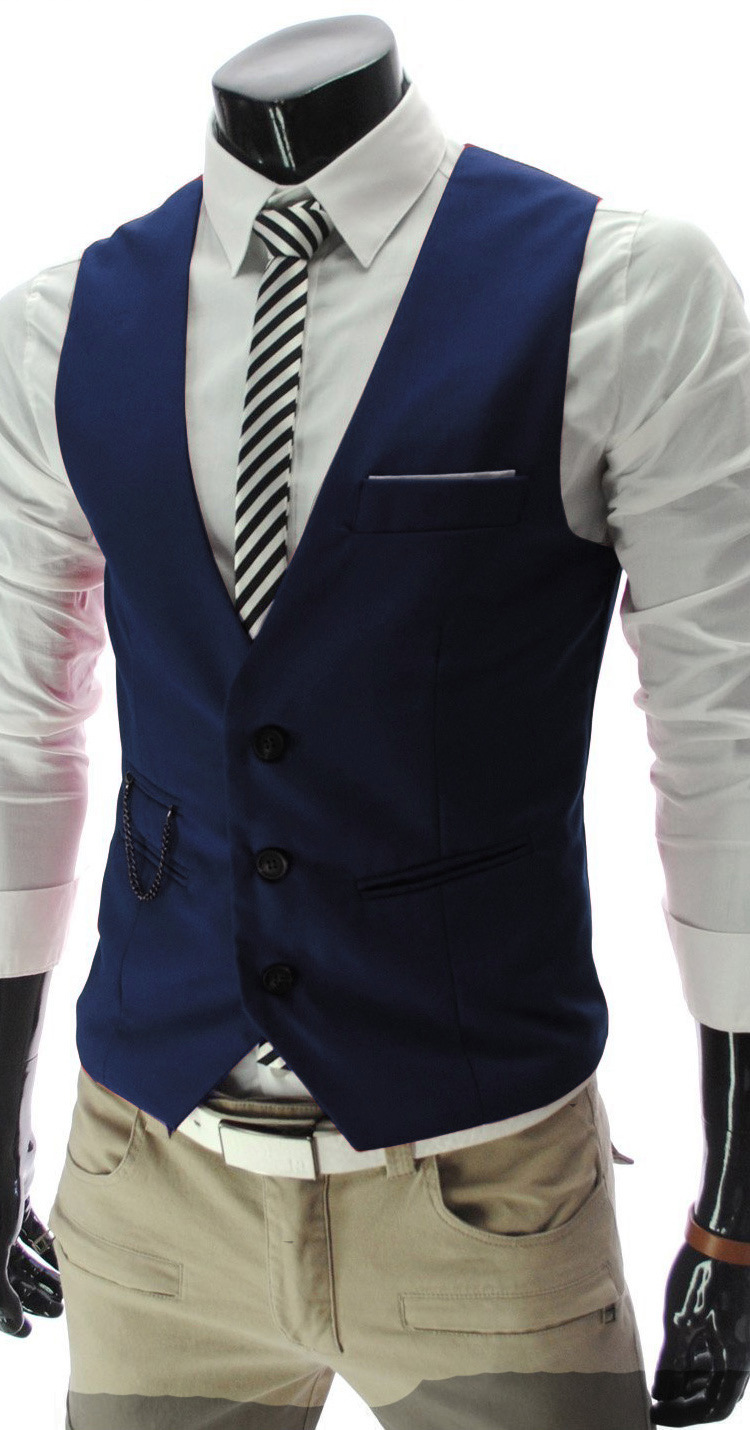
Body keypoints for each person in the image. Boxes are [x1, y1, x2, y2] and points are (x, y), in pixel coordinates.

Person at [2, 14, 750, 1428]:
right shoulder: (59, 323)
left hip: (486, 1196)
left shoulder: (621, 290)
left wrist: (739, 1199)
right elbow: (16, 742)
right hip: (146, 1190)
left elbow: (727, 740)